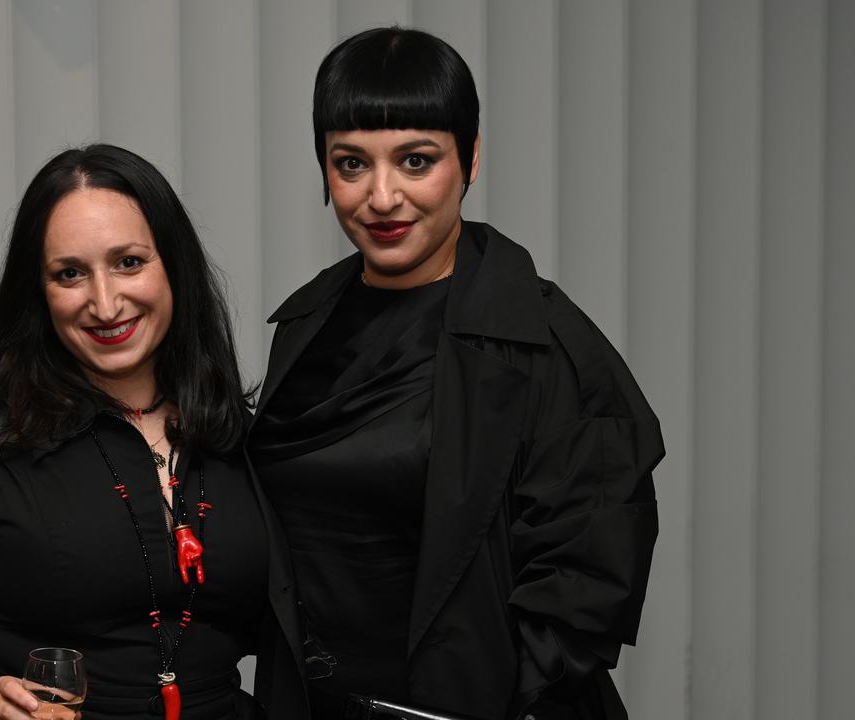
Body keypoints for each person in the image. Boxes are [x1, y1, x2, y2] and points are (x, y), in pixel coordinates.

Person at [248, 27, 664, 720]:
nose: (381, 198)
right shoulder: (305, 326)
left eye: (415, 161)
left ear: (469, 159)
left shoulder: (546, 341)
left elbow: (592, 579)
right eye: (351, 164)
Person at [0, 144, 302, 720]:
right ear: (38, 290)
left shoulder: (240, 436)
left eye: (129, 262)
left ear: (174, 267)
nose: (105, 304)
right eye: (70, 274)